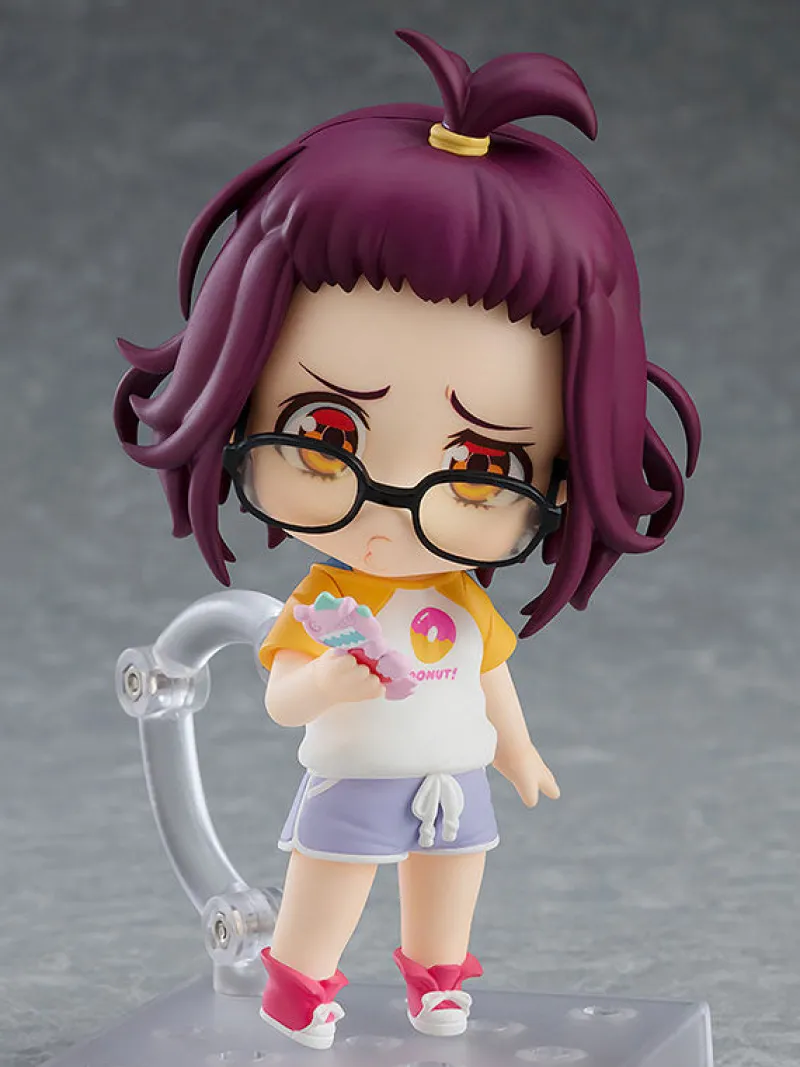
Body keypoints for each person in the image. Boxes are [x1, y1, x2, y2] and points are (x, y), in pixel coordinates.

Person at [114, 28, 700, 1051]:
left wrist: (516, 747)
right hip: (353, 773)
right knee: (330, 877)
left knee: (451, 877)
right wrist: (327, 681)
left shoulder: (460, 599)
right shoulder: (323, 604)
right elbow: (280, 692)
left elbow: (489, 671)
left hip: (453, 773)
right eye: (326, 434)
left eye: (479, 464)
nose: (389, 507)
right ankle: (299, 983)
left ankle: (437, 980)